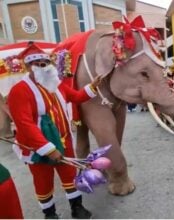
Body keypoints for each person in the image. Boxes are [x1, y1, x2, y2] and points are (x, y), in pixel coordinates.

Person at [7, 42, 101, 219]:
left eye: (45, 63)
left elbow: (77, 96)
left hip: (64, 141)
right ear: (28, 67)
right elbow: (25, 124)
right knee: (43, 181)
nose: (43, 67)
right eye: (38, 64)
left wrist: (93, 86)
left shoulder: (55, 84)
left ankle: (77, 207)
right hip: (38, 148)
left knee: (69, 175)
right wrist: (48, 149)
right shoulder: (19, 91)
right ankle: (50, 214)